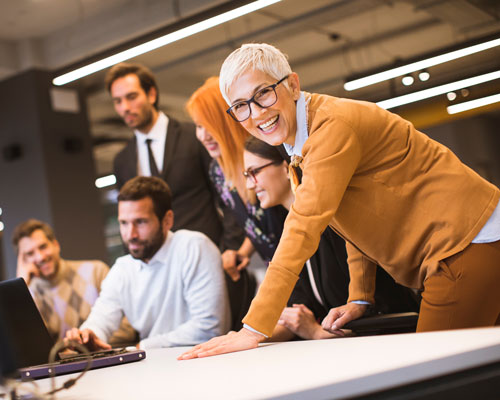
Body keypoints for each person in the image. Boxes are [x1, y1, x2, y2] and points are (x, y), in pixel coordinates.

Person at [179, 42, 500, 359]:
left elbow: (302, 227)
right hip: (464, 245)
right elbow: (354, 219)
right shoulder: (301, 140)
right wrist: (360, 297)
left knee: (433, 376)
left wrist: (254, 328)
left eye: (263, 93)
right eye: (240, 106)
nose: (257, 113)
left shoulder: (331, 127)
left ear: (292, 84)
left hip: (465, 246)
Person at [243, 137, 419, 341]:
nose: (249, 184)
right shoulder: (290, 230)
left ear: (286, 168)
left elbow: (375, 308)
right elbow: (299, 313)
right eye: (246, 175)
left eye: (254, 172)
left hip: (395, 340)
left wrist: (315, 332)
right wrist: (247, 337)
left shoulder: (335, 223)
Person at [66, 176, 230, 350]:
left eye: (141, 222)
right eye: (124, 223)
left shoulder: (194, 247)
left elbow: (209, 328)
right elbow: (102, 318)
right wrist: (88, 335)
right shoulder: (122, 268)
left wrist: (141, 347)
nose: (131, 234)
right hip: (155, 366)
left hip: (203, 364)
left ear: (167, 220)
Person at [107, 63, 223, 247]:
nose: (125, 108)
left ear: (151, 94)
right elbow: (128, 216)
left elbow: (225, 193)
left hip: (209, 249)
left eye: (131, 97)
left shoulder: (194, 136)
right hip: (158, 262)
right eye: (118, 101)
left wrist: (233, 248)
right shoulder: (122, 161)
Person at [186, 76, 288, 282]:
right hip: (280, 273)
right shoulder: (218, 172)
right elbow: (255, 223)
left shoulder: (265, 154)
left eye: (209, 126)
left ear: (227, 122)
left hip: (308, 262)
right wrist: (244, 251)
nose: (203, 136)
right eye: (198, 126)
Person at [12, 220, 135, 344]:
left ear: (56, 245)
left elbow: (127, 328)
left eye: (43, 247)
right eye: (30, 253)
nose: (40, 257)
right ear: (22, 260)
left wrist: (80, 346)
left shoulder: (96, 271)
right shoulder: (28, 295)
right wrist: (20, 285)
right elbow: (29, 344)